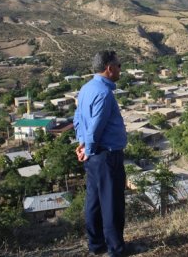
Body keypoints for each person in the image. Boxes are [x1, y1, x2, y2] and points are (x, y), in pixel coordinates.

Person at [74, 50, 130, 257]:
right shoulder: (104, 94)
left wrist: (82, 146)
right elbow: (95, 128)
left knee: (95, 202)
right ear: (109, 68)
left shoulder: (86, 88)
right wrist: (87, 149)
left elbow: (78, 119)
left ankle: (96, 246)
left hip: (93, 157)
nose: (120, 69)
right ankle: (116, 250)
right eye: (119, 65)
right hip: (106, 156)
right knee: (112, 203)